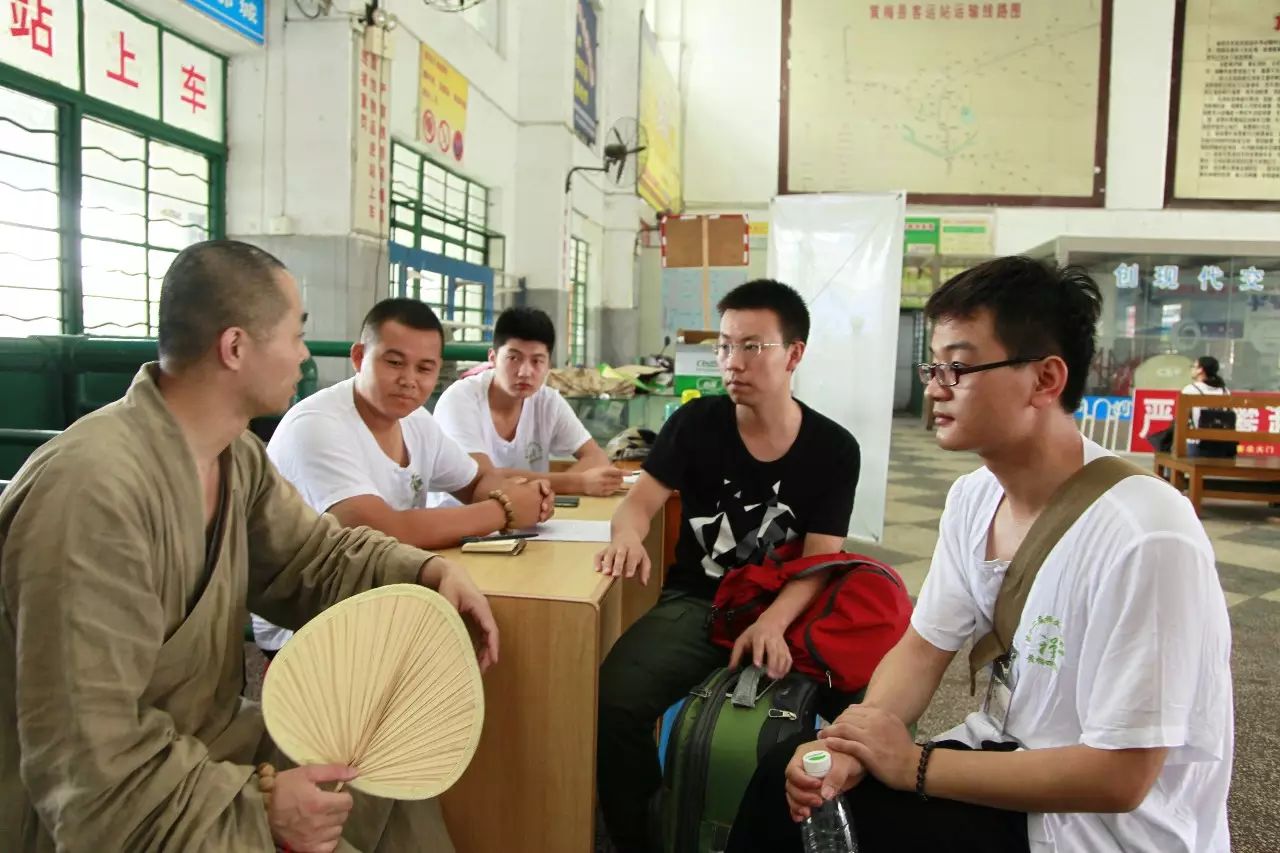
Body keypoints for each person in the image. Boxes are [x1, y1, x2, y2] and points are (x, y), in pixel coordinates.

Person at [0, 241, 499, 852]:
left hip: (207, 736)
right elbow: (86, 757)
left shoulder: (235, 456)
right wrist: (258, 808)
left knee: (380, 770)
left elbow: (311, 559)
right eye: (295, 334)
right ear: (235, 348)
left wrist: (424, 575)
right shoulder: (93, 491)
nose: (301, 354)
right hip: (115, 794)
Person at [728, 257, 1233, 853]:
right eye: (934, 365)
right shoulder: (974, 497)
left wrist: (911, 764)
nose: (935, 387)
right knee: (789, 777)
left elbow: (1120, 777)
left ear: (1046, 380)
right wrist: (851, 745)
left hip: (1100, 829)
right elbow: (922, 649)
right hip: (1006, 760)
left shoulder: (1146, 535)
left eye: (960, 368)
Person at [593, 279, 862, 853]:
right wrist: (628, 537)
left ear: (794, 354)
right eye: (724, 346)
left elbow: (820, 564)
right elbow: (638, 504)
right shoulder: (695, 425)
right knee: (614, 698)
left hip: (787, 611)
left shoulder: (834, 448)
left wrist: (774, 622)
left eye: (751, 347)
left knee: (854, 717)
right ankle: (645, 832)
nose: (731, 362)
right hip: (700, 603)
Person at [252, 298, 553, 657]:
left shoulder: (416, 421)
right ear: (360, 357)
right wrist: (503, 508)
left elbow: (476, 481)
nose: (409, 380)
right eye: (394, 363)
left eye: (424, 368)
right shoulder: (317, 426)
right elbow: (377, 532)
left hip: (394, 592)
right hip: (314, 623)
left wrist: (519, 495)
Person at [433, 305, 624, 497]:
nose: (525, 372)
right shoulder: (460, 400)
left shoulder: (548, 402)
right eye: (513, 358)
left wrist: (545, 491)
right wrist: (578, 482)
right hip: (461, 522)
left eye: (537, 361)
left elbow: (596, 457)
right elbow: (483, 480)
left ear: (549, 364)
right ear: (492, 358)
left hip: (525, 520)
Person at [1181, 355, 1233, 457]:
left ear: (1201, 370)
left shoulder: (1190, 390)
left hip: (1196, 444)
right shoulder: (1224, 390)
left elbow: (1182, 419)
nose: (1192, 369)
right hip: (1221, 444)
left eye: (1193, 366)